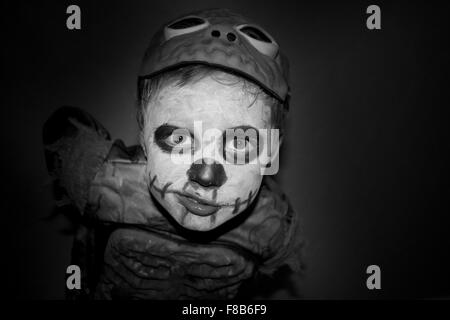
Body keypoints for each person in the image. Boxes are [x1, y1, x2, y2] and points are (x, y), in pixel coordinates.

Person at [43, 8, 303, 299]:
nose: (206, 176)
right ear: (142, 128)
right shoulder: (99, 183)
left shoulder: (273, 229)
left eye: (240, 143)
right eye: (179, 138)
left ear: (271, 150)